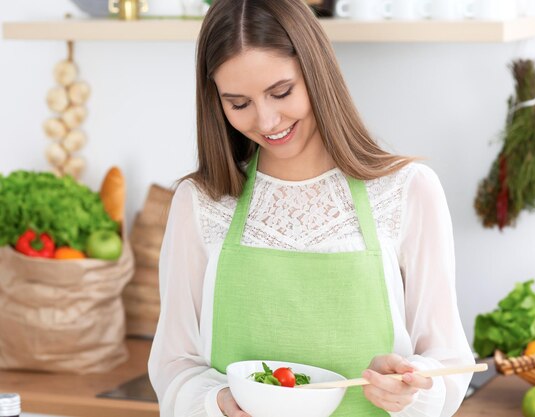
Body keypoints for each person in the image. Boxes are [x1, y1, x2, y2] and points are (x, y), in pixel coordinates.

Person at [148, 0, 475, 416]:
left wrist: (411, 384)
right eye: (238, 103)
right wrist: (217, 403)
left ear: (316, 72)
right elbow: (173, 364)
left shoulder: (407, 191)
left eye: (281, 92)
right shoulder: (201, 203)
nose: (266, 121)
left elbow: (449, 360)